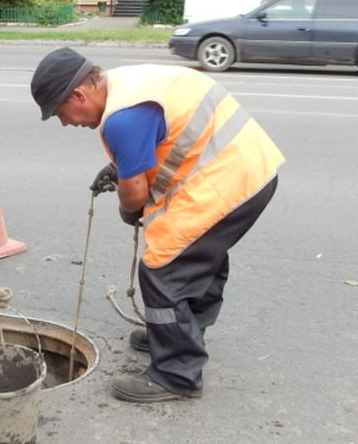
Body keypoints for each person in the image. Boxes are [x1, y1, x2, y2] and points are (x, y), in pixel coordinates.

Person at [30, 48, 284, 403]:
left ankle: (176, 373)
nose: (66, 123)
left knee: (162, 268)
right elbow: (165, 134)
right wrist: (122, 168)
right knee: (197, 257)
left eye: (61, 113)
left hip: (228, 182)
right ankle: (181, 334)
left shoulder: (122, 118)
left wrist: (127, 206)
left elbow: (134, 197)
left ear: (78, 95)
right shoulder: (125, 83)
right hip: (251, 167)